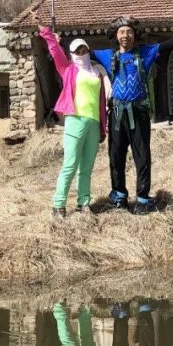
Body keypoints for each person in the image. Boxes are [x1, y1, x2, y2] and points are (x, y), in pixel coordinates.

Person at [92, 12, 173, 213]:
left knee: (142, 157)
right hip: (116, 114)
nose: (125, 35)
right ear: (116, 35)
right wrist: (52, 38)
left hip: (139, 113)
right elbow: (80, 52)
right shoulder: (107, 55)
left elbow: (171, 44)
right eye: (121, 32)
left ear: (135, 35)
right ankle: (119, 196)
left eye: (129, 32)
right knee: (116, 156)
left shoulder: (145, 53)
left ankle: (142, 198)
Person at [34, 13, 110, 218]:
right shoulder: (67, 69)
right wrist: (45, 30)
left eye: (84, 49)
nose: (81, 52)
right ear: (71, 52)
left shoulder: (96, 71)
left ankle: (83, 203)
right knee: (70, 163)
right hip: (75, 119)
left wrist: (105, 123)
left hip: (94, 122)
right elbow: (54, 49)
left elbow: (103, 98)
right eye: (77, 50)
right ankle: (58, 204)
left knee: (87, 166)